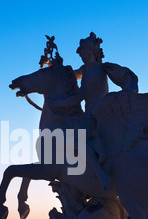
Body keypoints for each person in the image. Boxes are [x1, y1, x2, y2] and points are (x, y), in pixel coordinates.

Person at [48, 32, 139, 189]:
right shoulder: (85, 69)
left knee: (75, 140)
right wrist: (52, 64)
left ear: (95, 54)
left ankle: (100, 174)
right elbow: (70, 75)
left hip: (95, 116)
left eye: (87, 53)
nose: (84, 56)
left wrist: (57, 103)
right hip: (87, 115)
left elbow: (79, 97)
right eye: (82, 54)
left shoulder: (99, 70)